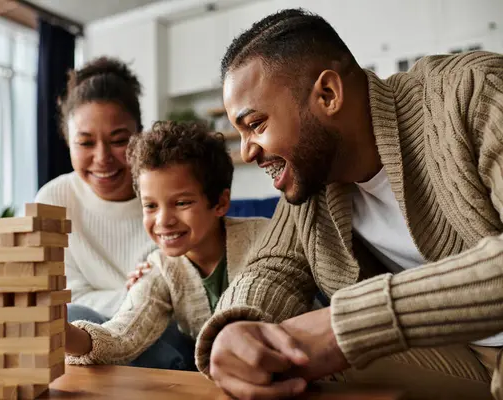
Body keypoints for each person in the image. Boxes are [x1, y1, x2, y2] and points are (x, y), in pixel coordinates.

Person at [193, 8, 503, 400]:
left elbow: (347, 327)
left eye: (255, 125)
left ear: (328, 95)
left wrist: (348, 325)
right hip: (461, 359)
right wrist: (234, 328)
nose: (247, 151)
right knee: (278, 362)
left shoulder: (476, 92)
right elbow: (273, 268)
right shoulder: (313, 177)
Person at [64, 121, 269, 367]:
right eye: (150, 206)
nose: (164, 221)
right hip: (210, 375)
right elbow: (123, 336)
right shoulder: (161, 267)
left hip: (285, 370)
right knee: (71, 314)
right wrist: (59, 332)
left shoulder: (263, 237)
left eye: (182, 203)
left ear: (220, 203)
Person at [35, 57, 189, 370]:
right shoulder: (53, 199)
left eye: (119, 141)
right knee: (63, 319)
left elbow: (184, 298)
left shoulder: (172, 194)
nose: (103, 158)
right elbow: (60, 300)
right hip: (83, 335)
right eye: (85, 142)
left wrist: (149, 301)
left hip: (163, 335)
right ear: (68, 141)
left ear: (140, 135)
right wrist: (136, 297)